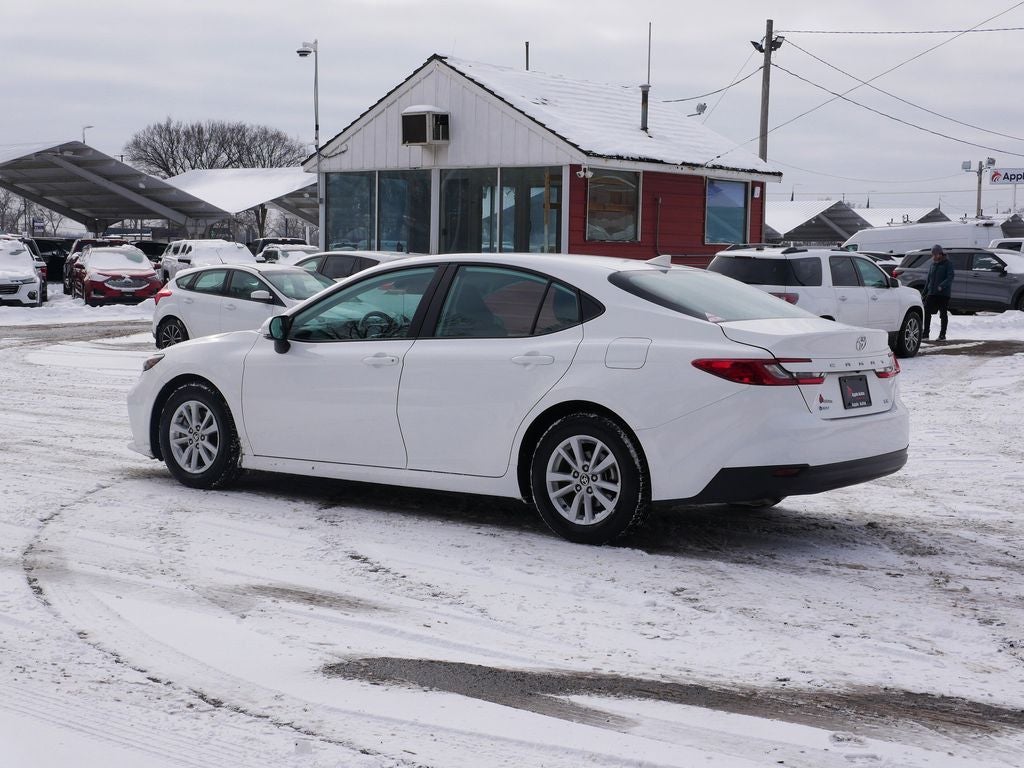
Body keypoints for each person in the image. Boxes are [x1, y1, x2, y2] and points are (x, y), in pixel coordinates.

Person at [923, 244, 954, 340]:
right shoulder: (932, 265)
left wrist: (941, 286)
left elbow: (950, 277)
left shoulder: (947, 264)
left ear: (940, 253)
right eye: (933, 254)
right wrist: (924, 292)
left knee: (943, 314)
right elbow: (928, 280)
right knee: (926, 311)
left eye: (936, 254)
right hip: (932, 293)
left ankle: (942, 335)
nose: (934, 256)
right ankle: (926, 334)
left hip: (943, 294)